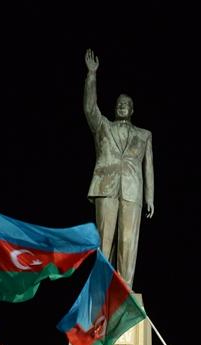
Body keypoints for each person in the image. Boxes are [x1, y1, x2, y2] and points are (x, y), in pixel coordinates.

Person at [83, 48, 154, 285]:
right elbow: (90, 109)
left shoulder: (144, 135)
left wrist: (150, 197)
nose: (122, 105)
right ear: (115, 108)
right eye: (119, 103)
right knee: (104, 240)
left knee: (128, 242)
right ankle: (101, 286)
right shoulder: (103, 127)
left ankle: (125, 290)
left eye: (127, 104)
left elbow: (148, 168)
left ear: (132, 110)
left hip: (133, 191)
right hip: (106, 186)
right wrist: (92, 75)